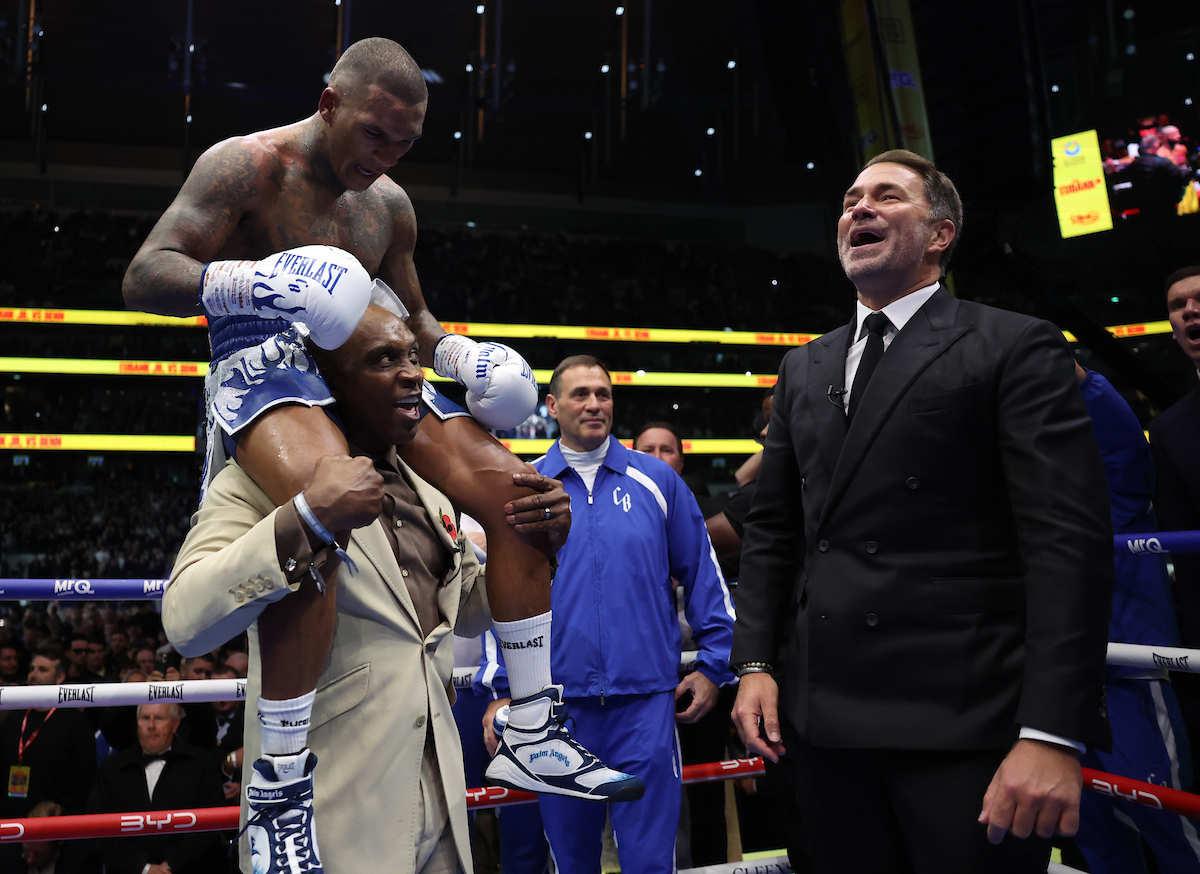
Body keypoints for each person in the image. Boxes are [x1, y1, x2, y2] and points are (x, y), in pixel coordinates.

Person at [121, 35, 633, 874]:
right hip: (264, 368)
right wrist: (254, 281)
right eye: (374, 135)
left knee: (518, 491)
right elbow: (147, 275)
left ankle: (535, 727)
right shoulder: (245, 166)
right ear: (330, 105)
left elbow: (414, 322)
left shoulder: (387, 204)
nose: (386, 157)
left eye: (405, 143)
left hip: (367, 375)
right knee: (323, 508)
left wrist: (463, 356)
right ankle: (279, 789)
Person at [730, 149, 1113, 873]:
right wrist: (753, 663)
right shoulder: (804, 366)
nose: (857, 208)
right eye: (849, 199)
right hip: (821, 727)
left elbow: (1067, 546)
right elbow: (774, 532)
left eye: (885, 196)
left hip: (966, 726)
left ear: (940, 235)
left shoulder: (1011, 344)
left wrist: (1053, 733)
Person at [161, 305, 580, 874]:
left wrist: (537, 544)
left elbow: (463, 612)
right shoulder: (259, 479)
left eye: (412, 356)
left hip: (441, 803)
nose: (413, 373)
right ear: (330, 382)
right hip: (329, 813)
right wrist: (306, 518)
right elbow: (185, 622)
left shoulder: (429, 488)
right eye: (384, 360)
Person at [481, 355, 736, 874]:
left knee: (649, 861)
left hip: (645, 704)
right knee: (572, 862)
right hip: (555, 710)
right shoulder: (526, 489)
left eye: (603, 393)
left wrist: (714, 665)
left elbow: (705, 576)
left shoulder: (658, 482)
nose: (595, 403)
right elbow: (499, 596)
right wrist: (502, 688)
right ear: (552, 406)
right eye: (580, 394)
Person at [1072, 362, 1200, 873]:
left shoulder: (1114, 488)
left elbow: (1121, 445)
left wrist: (1074, 376)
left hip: (1126, 668)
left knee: (1170, 825)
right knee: (1094, 829)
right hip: (1051, 678)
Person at [1149, 266, 1200, 752]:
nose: (1190, 310)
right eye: (1176, 306)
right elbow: (1185, 555)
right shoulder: (1170, 431)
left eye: (1199, 298)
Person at [87, 702, 227, 874]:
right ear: (136, 722)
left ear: (175, 724)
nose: (151, 726)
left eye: (159, 718)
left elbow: (211, 827)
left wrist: (171, 864)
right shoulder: (112, 768)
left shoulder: (201, 765)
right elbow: (97, 830)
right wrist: (142, 867)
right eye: (145, 718)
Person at [0, 645, 98, 870]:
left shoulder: (76, 724)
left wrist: (64, 830)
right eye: (32, 669)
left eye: (42, 670)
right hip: (12, 827)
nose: (33, 674)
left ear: (60, 677)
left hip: (57, 835)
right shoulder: (14, 717)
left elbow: (84, 782)